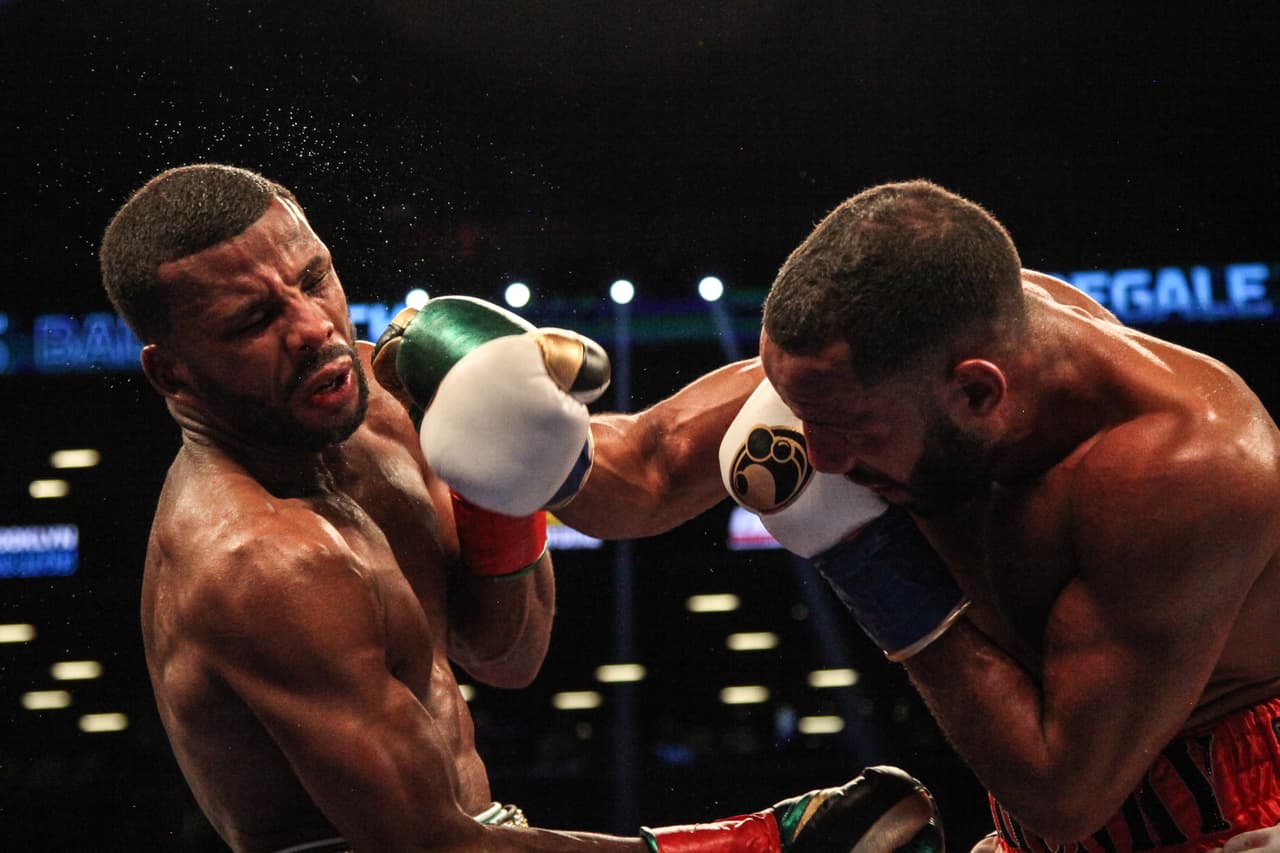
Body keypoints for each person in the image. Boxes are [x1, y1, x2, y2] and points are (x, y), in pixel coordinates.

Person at [400, 180, 1280, 853]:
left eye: (848, 435)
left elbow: (1065, 786)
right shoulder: (872, 359)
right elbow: (649, 469)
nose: (813, 455)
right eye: (800, 412)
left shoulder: (1184, 470)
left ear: (978, 392)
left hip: (1232, 820)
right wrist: (514, 419)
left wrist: (864, 551)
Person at [97, 163, 944, 853]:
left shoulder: (382, 399)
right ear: (173, 374)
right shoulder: (255, 562)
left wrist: (495, 481)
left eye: (314, 277)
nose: (313, 326)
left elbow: (508, 651)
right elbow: (435, 848)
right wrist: (746, 847)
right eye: (253, 319)